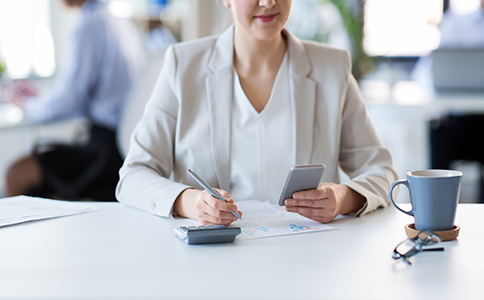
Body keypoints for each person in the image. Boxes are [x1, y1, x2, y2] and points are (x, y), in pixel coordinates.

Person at [116, 0, 398, 225]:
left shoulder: (332, 69)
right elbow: (133, 174)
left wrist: (342, 197)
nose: (268, 2)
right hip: (211, 262)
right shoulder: (182, 65)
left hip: (308, 258)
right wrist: (188, 202)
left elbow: (381, 171)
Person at [5, 0, 143, 200]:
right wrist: (41, 100)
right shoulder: (119, 21)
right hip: (122, 145)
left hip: (104, 153)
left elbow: (69, 101)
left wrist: (26, 104)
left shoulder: (89, 25)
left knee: (15, 174)